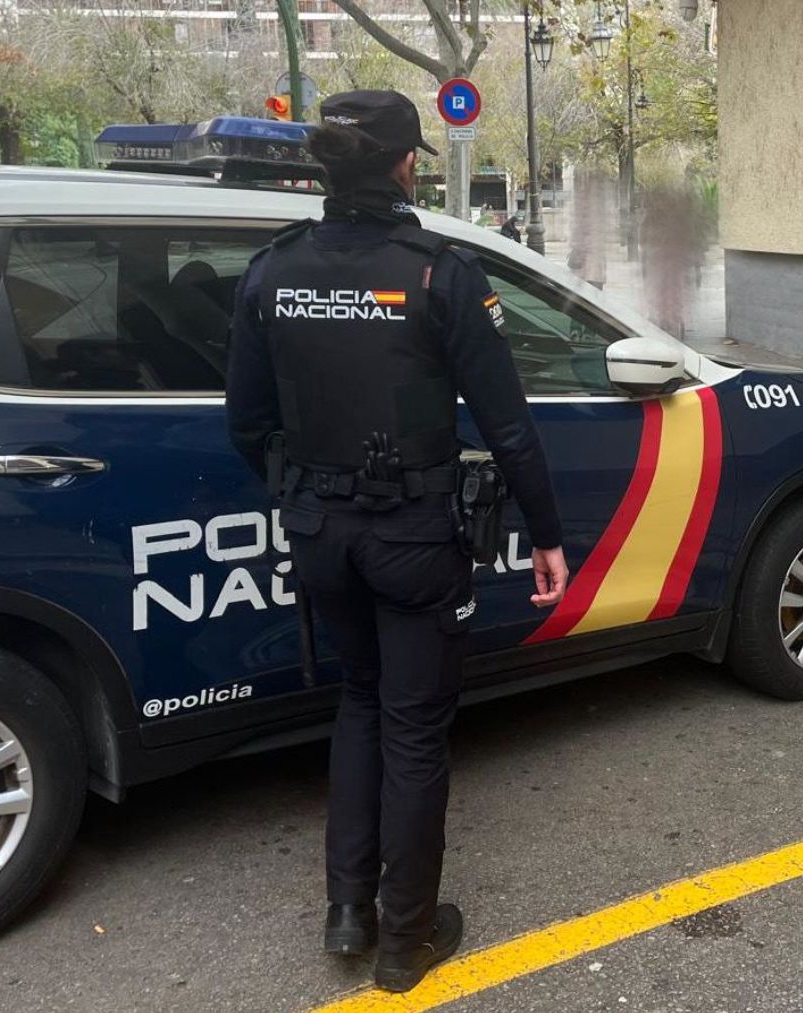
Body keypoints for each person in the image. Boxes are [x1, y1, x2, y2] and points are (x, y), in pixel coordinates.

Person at [225, 89, 570, 994]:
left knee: (360, 703)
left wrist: (303, 491)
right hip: (414, 538)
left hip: (320, 537)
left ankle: (349, 910)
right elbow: (511, 428)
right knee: (415, 730)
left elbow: (246, 421)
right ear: (407, 163)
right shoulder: (437, 272)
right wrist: (546, 535)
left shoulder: (273, 270)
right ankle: (405, 940)